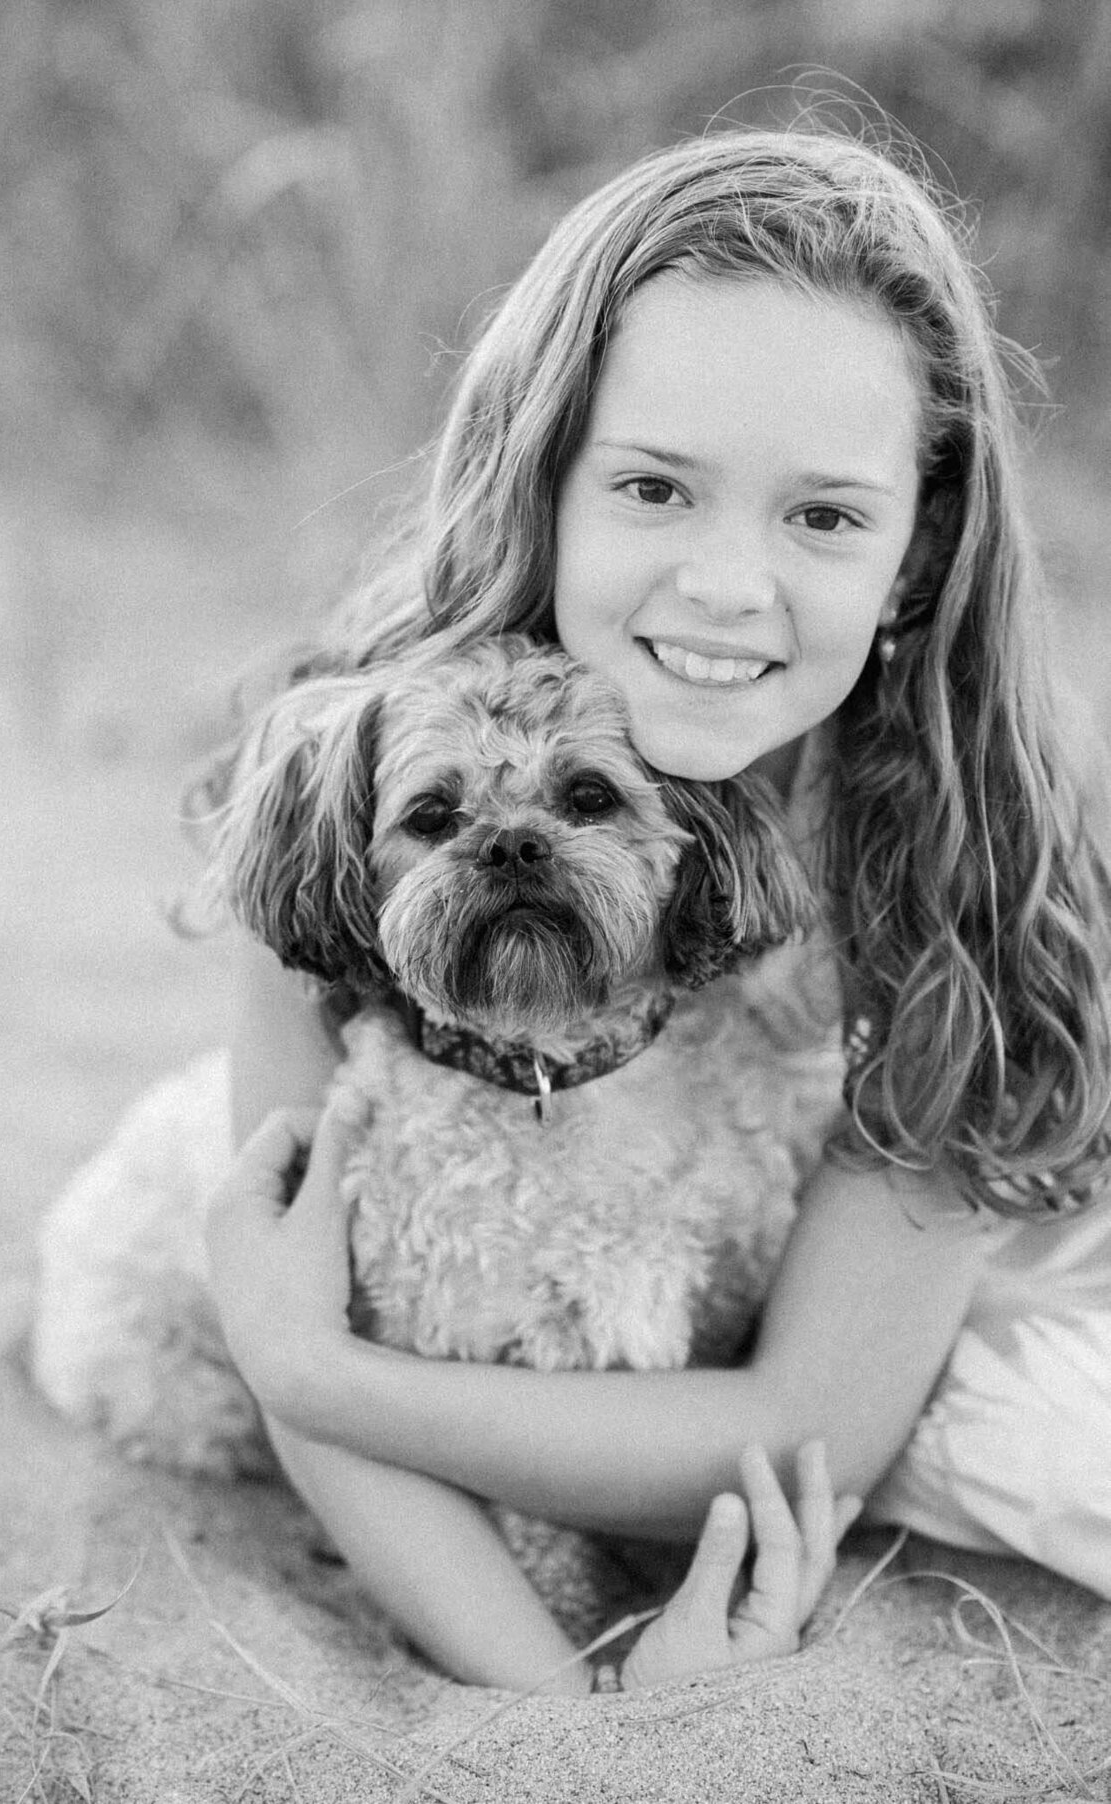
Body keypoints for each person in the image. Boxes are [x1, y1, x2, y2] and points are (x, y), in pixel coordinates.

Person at [204, 125, 1111, 1693]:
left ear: (917, 556)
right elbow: (284, 1281)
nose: (724, 586)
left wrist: (302, 1360)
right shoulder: (344, 771)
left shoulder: (982, 866)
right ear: (542, 478)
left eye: (823, 516)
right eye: (652, 487)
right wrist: (567, 1719)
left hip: (926, 1300)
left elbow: (800, 1432)